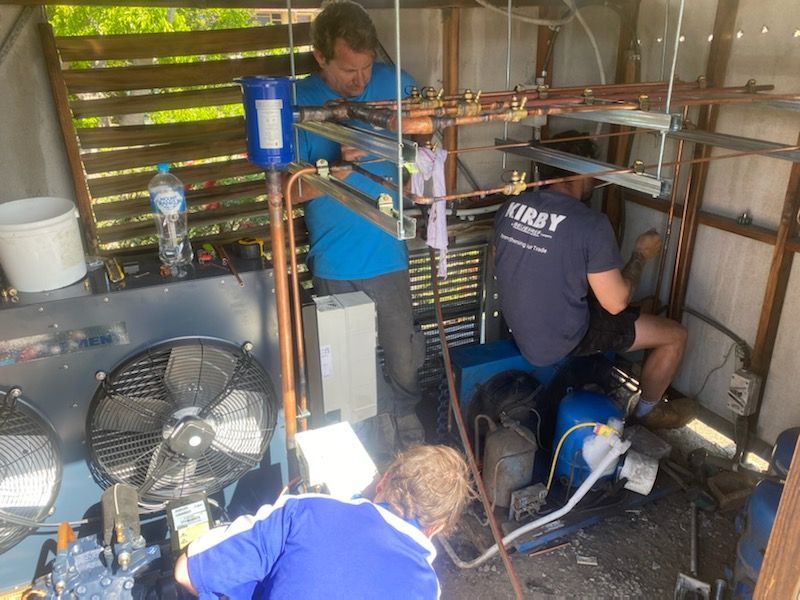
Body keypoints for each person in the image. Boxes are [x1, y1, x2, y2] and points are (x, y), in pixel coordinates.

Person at [294, 0, 426, 451]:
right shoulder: (298, 102)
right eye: (349, 71)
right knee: (353, 364)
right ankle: (376, 437)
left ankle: (405, 416)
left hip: (389, 251)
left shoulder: (396, 85)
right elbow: (286, 192)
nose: (361, 81)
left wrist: (418, 168)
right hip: (335, 259)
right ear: (320, 57)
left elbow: (428, 136)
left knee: (403, 354)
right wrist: (334, 166)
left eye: (367, 68)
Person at [493, 133, 692, 429]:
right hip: (560, 339)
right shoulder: (591, 223)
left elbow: (506, 260)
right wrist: (640, 255)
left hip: (517, 325)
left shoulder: (510, 208)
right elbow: (615, 303)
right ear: (578, 173)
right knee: (675, 336)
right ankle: (646, 414)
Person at [173, 445, 471, 599]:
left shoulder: (307, 511)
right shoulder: (426, 588)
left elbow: (187, 572)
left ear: (383, 482)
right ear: (438, 527)